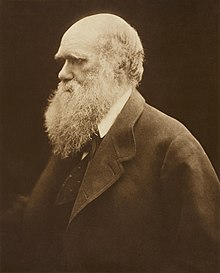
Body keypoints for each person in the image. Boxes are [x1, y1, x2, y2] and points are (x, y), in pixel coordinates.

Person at [22, 13, 219, 272]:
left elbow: (203, 261)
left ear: (117, 66)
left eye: (77, 60)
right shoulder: (76, 132)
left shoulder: (173, 146)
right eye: (63, 61)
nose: (63, 74)